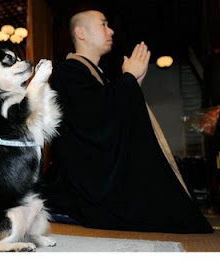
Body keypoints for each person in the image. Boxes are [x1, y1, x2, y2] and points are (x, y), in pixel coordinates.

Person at [41, 8, 213, 233]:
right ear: (81, 33)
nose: (110, 30)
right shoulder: (69, 70)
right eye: (103, 24)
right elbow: (94, 121)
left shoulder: (95, 73)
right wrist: (128, 80)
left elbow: (110, 112)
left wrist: (131, 85)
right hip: (85, 177)